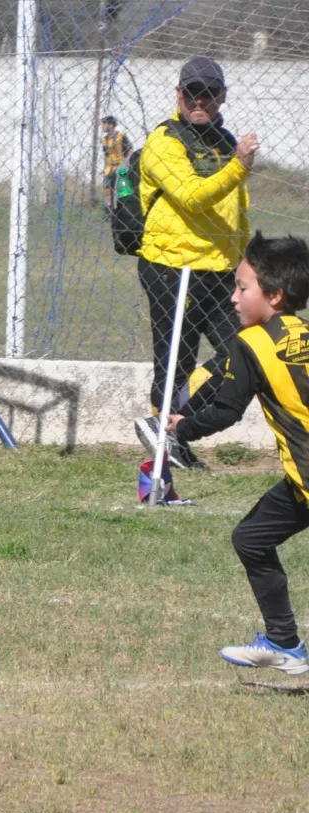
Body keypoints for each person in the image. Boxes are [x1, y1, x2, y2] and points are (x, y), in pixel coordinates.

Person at [166, 232, 309, 675]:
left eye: (242, 288)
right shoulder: (303, 333)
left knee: (251, 539)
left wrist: (182, 427)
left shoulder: (251, 343)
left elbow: (227, 411)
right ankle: (284, 642)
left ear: (274, 295)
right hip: (299, 482)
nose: (233, 298)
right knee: (251, 537)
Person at [133, 57, 258, 470]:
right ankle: (170, 443)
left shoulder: (224, 140)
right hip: (173, 267)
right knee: (176, 363)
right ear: (178, 94)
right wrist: (238, 166)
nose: (198, 101)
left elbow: (235, 209)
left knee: (242, 352)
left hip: (220, 270)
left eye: (208, 93)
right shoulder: (165, 141)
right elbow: (190, 197)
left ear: (222, 96)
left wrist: (243, 262)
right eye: (191, 92)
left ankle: (172, 427)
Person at [100, 115, 132, 214]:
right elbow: (107, 155)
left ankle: (125, 210)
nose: (102, 126)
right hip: (109, 169)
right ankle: (109, 212)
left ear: (111, 125)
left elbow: (130, 149)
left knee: (124, 191)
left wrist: (127, 163)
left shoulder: (121, 136)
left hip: (121, 167)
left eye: (104, 124)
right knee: (108, 191)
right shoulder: (104, 139)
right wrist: (104, 168)